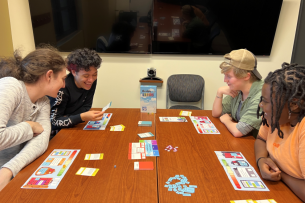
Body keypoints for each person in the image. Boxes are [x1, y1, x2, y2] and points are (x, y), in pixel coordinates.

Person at [0, 48, 67, 191]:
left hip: (10, 174)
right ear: (49, 75)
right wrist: (29, 127)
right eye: (63, 79)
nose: (64, 85)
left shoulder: (43, 101)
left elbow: (41, 141)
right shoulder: (11, 86)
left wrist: (9, 170)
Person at [255, 63, 305, 201]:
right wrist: (261, 160)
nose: (261, 105)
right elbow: (261, 139)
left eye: (265, 101)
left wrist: (282, 174)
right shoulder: (274, 118)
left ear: (294, 104)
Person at [50, 48, 103, 133]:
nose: (91, 80)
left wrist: (68, 117)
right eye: (86, 76)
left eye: (95, 74)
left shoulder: (91, 81)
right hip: (58, 133)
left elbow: (87, 106)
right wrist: (81, 117)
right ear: (74, 72)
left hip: (74, 126)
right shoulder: (62, 88)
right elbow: (53, 123)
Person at [212, 49, 263, 138]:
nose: (225, 80)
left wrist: (226, 120)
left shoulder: (261, 96)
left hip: (258, 144)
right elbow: (216, 113)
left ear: (246, 76)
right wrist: (219, 92)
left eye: (229, 76)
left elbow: (238, 131)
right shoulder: (238, 89)